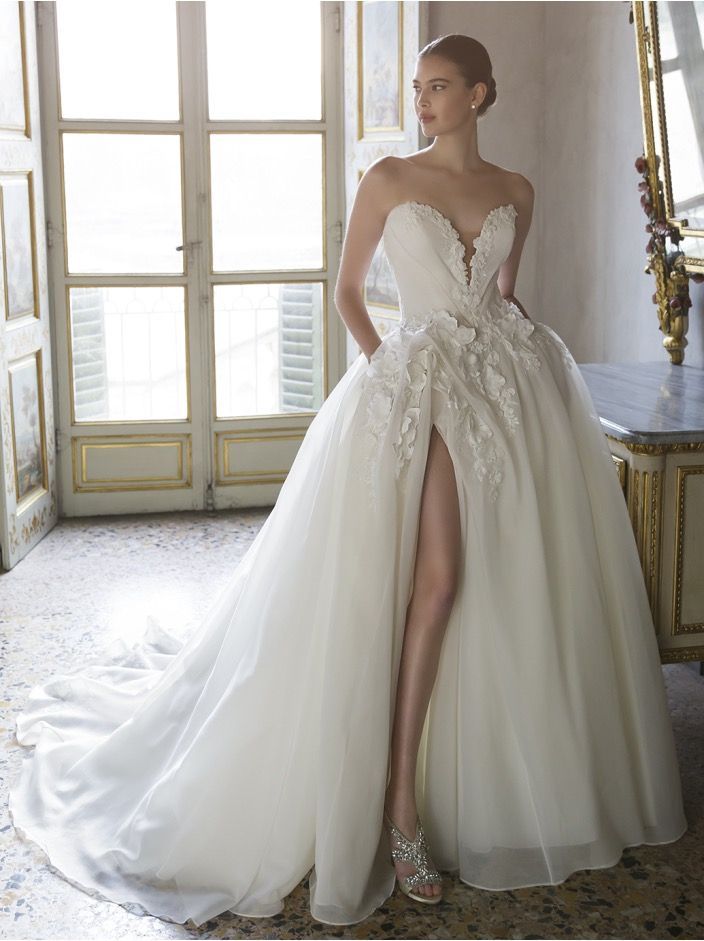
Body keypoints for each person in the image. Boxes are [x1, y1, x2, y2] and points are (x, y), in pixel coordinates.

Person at [8, 33, 687, 928]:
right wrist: (393, 376)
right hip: (417, 387)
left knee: (514, 576)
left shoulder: (518, 190)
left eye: (439, 86)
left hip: (506, 389)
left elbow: (502, 297)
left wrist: (534, 375)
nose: (423, 101)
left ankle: (493, 784)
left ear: (481, 94)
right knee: (439, 580)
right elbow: (348, 294)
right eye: (419, 87)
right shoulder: (389, 180)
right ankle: (399, 801)